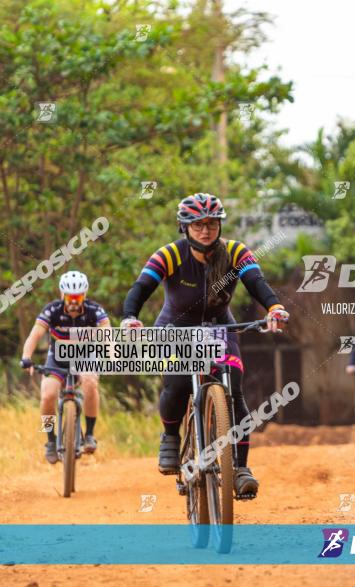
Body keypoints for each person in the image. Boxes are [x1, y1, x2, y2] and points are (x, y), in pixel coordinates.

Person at [120, 193, 289, 499]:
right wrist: (130, 317)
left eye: (211, 224)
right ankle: (171, 437)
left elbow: (257, 284)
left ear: (220, 225)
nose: (205, 230)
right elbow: (141, 287)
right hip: (176, 328)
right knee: (177, 383)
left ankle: (240, 469)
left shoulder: (236, 253)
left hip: (220, 327)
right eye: (197, 225)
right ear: (184, 227)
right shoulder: (169, 254)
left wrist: (274, 308)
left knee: (234, 388)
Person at [20, 271, 111, 463]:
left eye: (78, 296)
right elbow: (35, 335)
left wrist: (111, 356)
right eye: (70, 296)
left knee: (90, 382)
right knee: (47, 395)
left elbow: (107, 336)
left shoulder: (95, 311)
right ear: (62, 295)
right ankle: (50, 440)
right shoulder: (52, 310)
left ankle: (90, 435)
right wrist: (26, 357)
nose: (74, 301)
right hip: (58, 358)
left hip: (85, 357)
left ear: (84, 295)